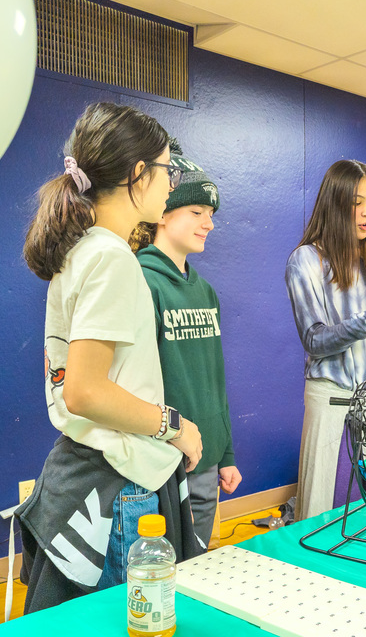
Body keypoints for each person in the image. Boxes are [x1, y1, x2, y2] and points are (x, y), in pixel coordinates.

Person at [17, 102, 204, 613]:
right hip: (118, 485)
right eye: (167, 170)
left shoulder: (82, 250)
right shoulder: (111, 259)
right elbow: (85, 391)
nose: (172, 183)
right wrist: (174, 426)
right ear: (137, 174)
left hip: (89, 472)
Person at [285, 159, 366, 521]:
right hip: (336, 401)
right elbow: (315, 340)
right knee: (327, 515)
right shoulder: (307, 261)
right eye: (357, 202)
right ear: (335, 201)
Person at [129, 140, 241, 550]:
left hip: (206, 461)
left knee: (199, 569)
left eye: (210, 215)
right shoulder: (141, 281)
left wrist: (224, 454)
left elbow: (215, 379)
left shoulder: (206, 291)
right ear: (162, 212)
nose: (208, 223)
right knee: (162, 570)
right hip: (163, 461)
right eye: (197, 212)